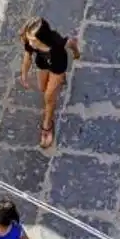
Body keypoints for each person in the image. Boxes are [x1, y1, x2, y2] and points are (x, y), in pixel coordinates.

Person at [21, 16, 81, 149]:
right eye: (29, 39)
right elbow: (27, 57)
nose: (30, 43)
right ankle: (57, 83)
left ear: (43, 38)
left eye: (33, 40)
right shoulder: (31, 43)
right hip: (43, 63)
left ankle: (47, 125)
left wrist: (76, 52)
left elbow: (70, 43)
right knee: (42, 88)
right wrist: (24, 75)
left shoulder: (57, 43)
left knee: (48, 97)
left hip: (58, 66)